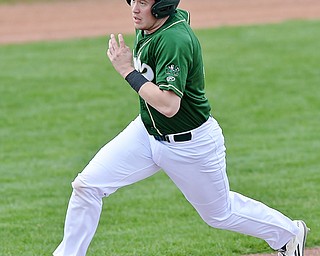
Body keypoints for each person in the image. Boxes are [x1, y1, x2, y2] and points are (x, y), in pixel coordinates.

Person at [53, 0, 309, 255]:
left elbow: (168, 104)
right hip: (147, 132)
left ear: (162, 6)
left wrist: (127, 71)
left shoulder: (174, 41)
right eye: (133, 1)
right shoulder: (150, 25)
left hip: (191, 146)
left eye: (143, 3)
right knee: (87, 186)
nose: (134, 9)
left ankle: (289, 234)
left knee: (219, 214)